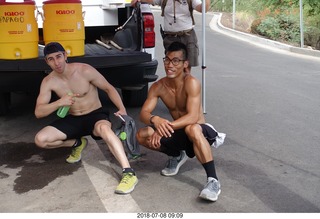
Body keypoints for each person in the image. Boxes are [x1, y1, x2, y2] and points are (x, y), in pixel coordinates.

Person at [34, 42, 138, 194]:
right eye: (51, 59)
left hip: (95, 115)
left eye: (58, 57)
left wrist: (122, 109)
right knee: (40, 140)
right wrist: (59, 102)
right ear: (47, 61)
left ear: (65, 55)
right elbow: (39, 112)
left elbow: (108, 88)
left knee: (104, 129)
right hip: (74, 118)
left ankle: (128, 172)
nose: (56, 62)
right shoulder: (48, 82)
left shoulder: (84, 70)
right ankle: (77, 143)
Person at [136, 41, 225, 201]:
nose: (170, 65)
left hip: (198, 131)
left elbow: (192, 117)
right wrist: (155, 119)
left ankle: (213, 181)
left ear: (185, 64)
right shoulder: (158, 87)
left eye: (175, 61)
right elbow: (143, 113)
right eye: (167, 60)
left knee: (192, 128)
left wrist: (163, 127)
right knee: (142, 135)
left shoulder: (191, 83)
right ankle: (176, 155)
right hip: (178, 131)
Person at [131, 0, 211, 73]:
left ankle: (185, 88)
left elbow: (203, 9)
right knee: (171, 68)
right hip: (170, 38)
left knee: (186, 69)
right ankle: (175, 88)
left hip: (187, 36)